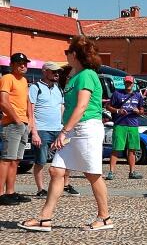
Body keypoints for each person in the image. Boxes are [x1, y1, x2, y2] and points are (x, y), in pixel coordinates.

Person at [19, 36, 111, 232]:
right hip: (74, 129)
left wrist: (63, 132)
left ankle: (105, 217)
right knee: (56, 170)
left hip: (86, 129)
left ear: (75, 54)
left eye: (67, 52)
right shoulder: (74, 76)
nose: (66, 56)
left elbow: (82, 106)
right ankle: (45, 218)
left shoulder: (87, 75)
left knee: (92, 174)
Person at [29, 61, 75, 198]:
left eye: (58, 72)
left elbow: (61, 108)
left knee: (66, 158)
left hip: (58, 130)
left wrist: (64, 127)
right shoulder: (35, 87)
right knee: (41, 161)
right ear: (45, 71)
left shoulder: (58, 88)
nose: (57, 74)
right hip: (42, 130)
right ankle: (41, 189)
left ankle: (66, 185)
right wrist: (34, 132)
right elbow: (30, 111)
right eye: (54, 71)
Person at [0, 52, 34, 205]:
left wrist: (29, 121)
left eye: (25, 63)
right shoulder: (7, 78)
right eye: (19, 63)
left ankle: (10, 192)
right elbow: (3, 102)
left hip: (23, 124)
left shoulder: (24, 80)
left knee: (16, 160)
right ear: (12, 64)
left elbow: (27, 102)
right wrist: (17, 120)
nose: (23, 65)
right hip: (12, 124)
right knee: (7, 159)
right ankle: (0, 193)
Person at [104, 76, 144, 180]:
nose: (128, 84)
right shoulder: (117, 94)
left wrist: (138, 112)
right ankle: (111, 172)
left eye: (130, 83)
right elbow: (107, 106)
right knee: (116, 148)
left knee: (132, 150)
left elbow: (142, 110)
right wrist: (118, 111)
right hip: (120, 124)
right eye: (126, 82)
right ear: (124, 83)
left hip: (133, 125)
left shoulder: (138, 95)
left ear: (133, 83)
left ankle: (132, 172)